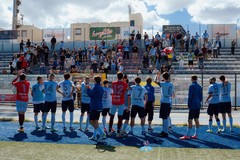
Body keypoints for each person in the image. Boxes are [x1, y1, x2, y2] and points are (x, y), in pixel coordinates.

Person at [180, 75, 202, 140]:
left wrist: (189, 104)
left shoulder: (191, 86)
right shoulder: (200, 87)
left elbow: (190, 96)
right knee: (196, 119)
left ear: (192, 79)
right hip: (198, 104)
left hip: (193, 104)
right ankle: (196, 134)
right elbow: (200, 97)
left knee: (190, 120)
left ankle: (188, 135)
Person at [154, 72, 174, 138]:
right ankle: (164, 130)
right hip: (169, 101)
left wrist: (156, 75)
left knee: (164, 118)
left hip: (164, 102)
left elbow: (155, 81)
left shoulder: (163, 84)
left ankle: (165, 132)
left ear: (163, 77)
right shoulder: (171, 84)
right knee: (165, 117)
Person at [108, 72, 128, 137]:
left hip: (114, 101)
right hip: (121, 101)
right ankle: (118, 132)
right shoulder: (125, 84)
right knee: (120, 117)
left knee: (112, 116)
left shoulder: (113, 83)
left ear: (117, 76)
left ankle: (109, 131)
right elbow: (126, 91)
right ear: (122, 77)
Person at [87, 76, 106, 141]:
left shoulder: (95, 87)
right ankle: (94, 135)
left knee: (91, 121)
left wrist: (88, 89)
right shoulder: (101, 87)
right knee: (95, 122)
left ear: (95, 80)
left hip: (94, 106)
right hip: (99, 105)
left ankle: (101, 133)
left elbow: (90, 95)